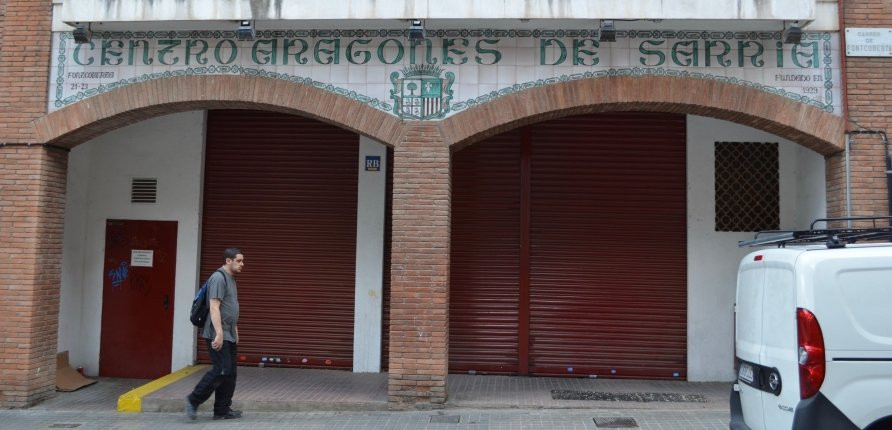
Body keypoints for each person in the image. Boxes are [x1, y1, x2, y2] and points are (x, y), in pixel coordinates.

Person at [185, 247, 244, 420]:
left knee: (230, 373)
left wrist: (235, 330)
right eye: (239, 261)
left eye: (242, 260)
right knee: (221, 370)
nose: (242, 264)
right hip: (218, 333)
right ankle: (193, 400)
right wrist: (219, 333)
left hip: (229, 333)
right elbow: (214, 307)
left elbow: (229, 308)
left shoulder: (231, 279)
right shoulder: (218, 278)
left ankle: (222, 410)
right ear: (228, 261)